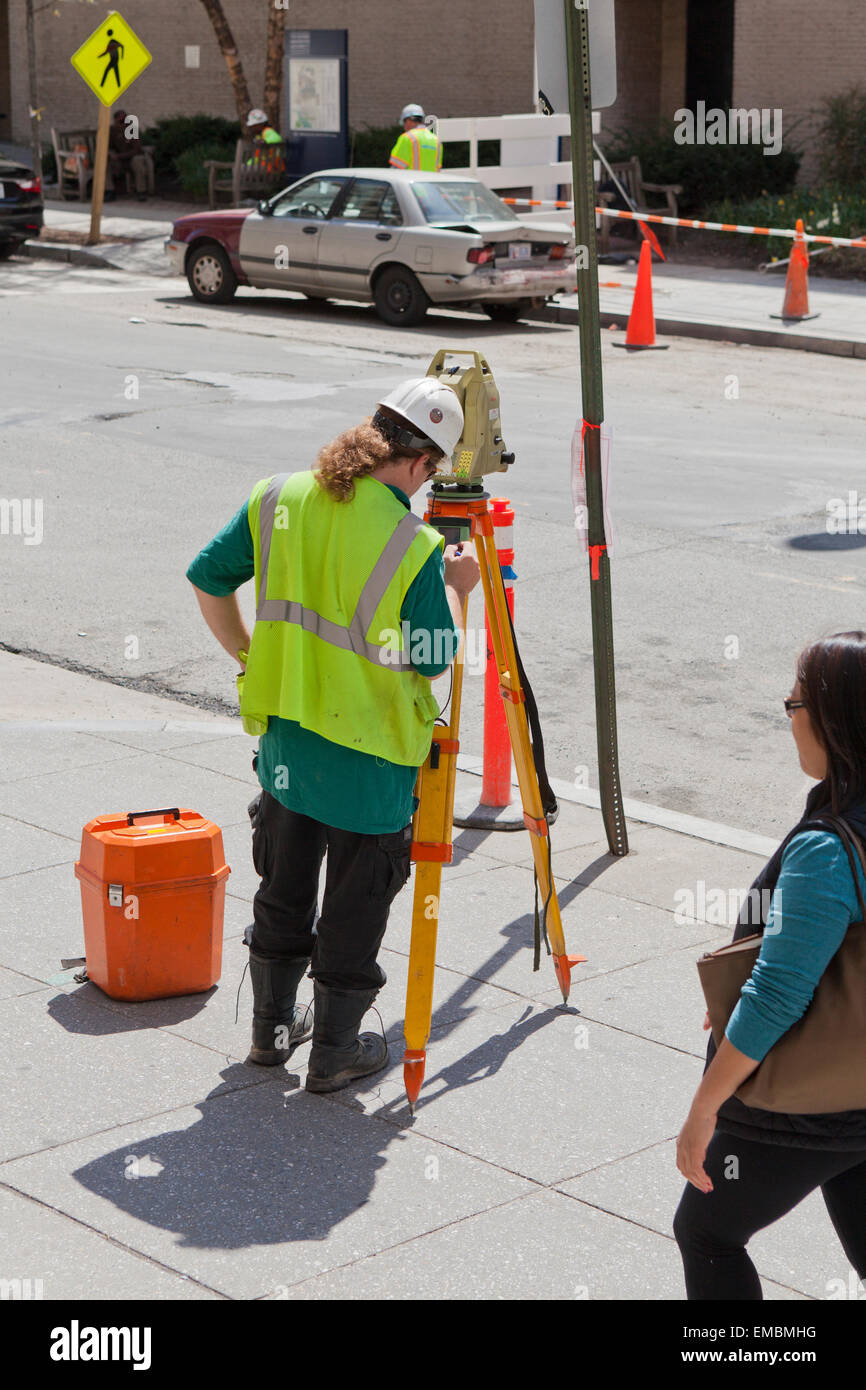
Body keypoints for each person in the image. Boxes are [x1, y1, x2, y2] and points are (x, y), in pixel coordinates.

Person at [187, 378, 479, 1094]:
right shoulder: (413, 545)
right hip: (372, 759)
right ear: (420, 464)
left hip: (289, 744)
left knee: (284, 888)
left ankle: (270, 1036)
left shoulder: (279, 496)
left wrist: (251, 655)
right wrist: (459, 589)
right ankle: (334, 1055)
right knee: (355, 904)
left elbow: (206, 577)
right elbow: (434, 656)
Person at [674, 630, 866, 1299]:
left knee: (707, 1232)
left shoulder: (829, 845)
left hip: (808, 1104)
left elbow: (778, 996)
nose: (787, 719)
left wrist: (705, 1108)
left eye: (793, 704)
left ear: (833, 719)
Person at [107, 109, 149, 202]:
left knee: (138, 162)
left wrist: (120, 156)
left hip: (132, 157)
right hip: (119, 159)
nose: (124, 124)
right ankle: (109, 191)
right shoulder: (112, 131)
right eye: (121, 121)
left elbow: (136, 149)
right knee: (105, 164)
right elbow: (108, 146)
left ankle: (141, 192)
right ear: (115, 121)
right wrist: (111, 153)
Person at [389, 104, 442, 172]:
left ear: (408, 121)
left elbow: (396, 169)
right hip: (431, 182)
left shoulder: (407, 138)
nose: (404, 127)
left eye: (403, 123)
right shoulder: (436, 141)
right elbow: (438, 169)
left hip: (410, 182)